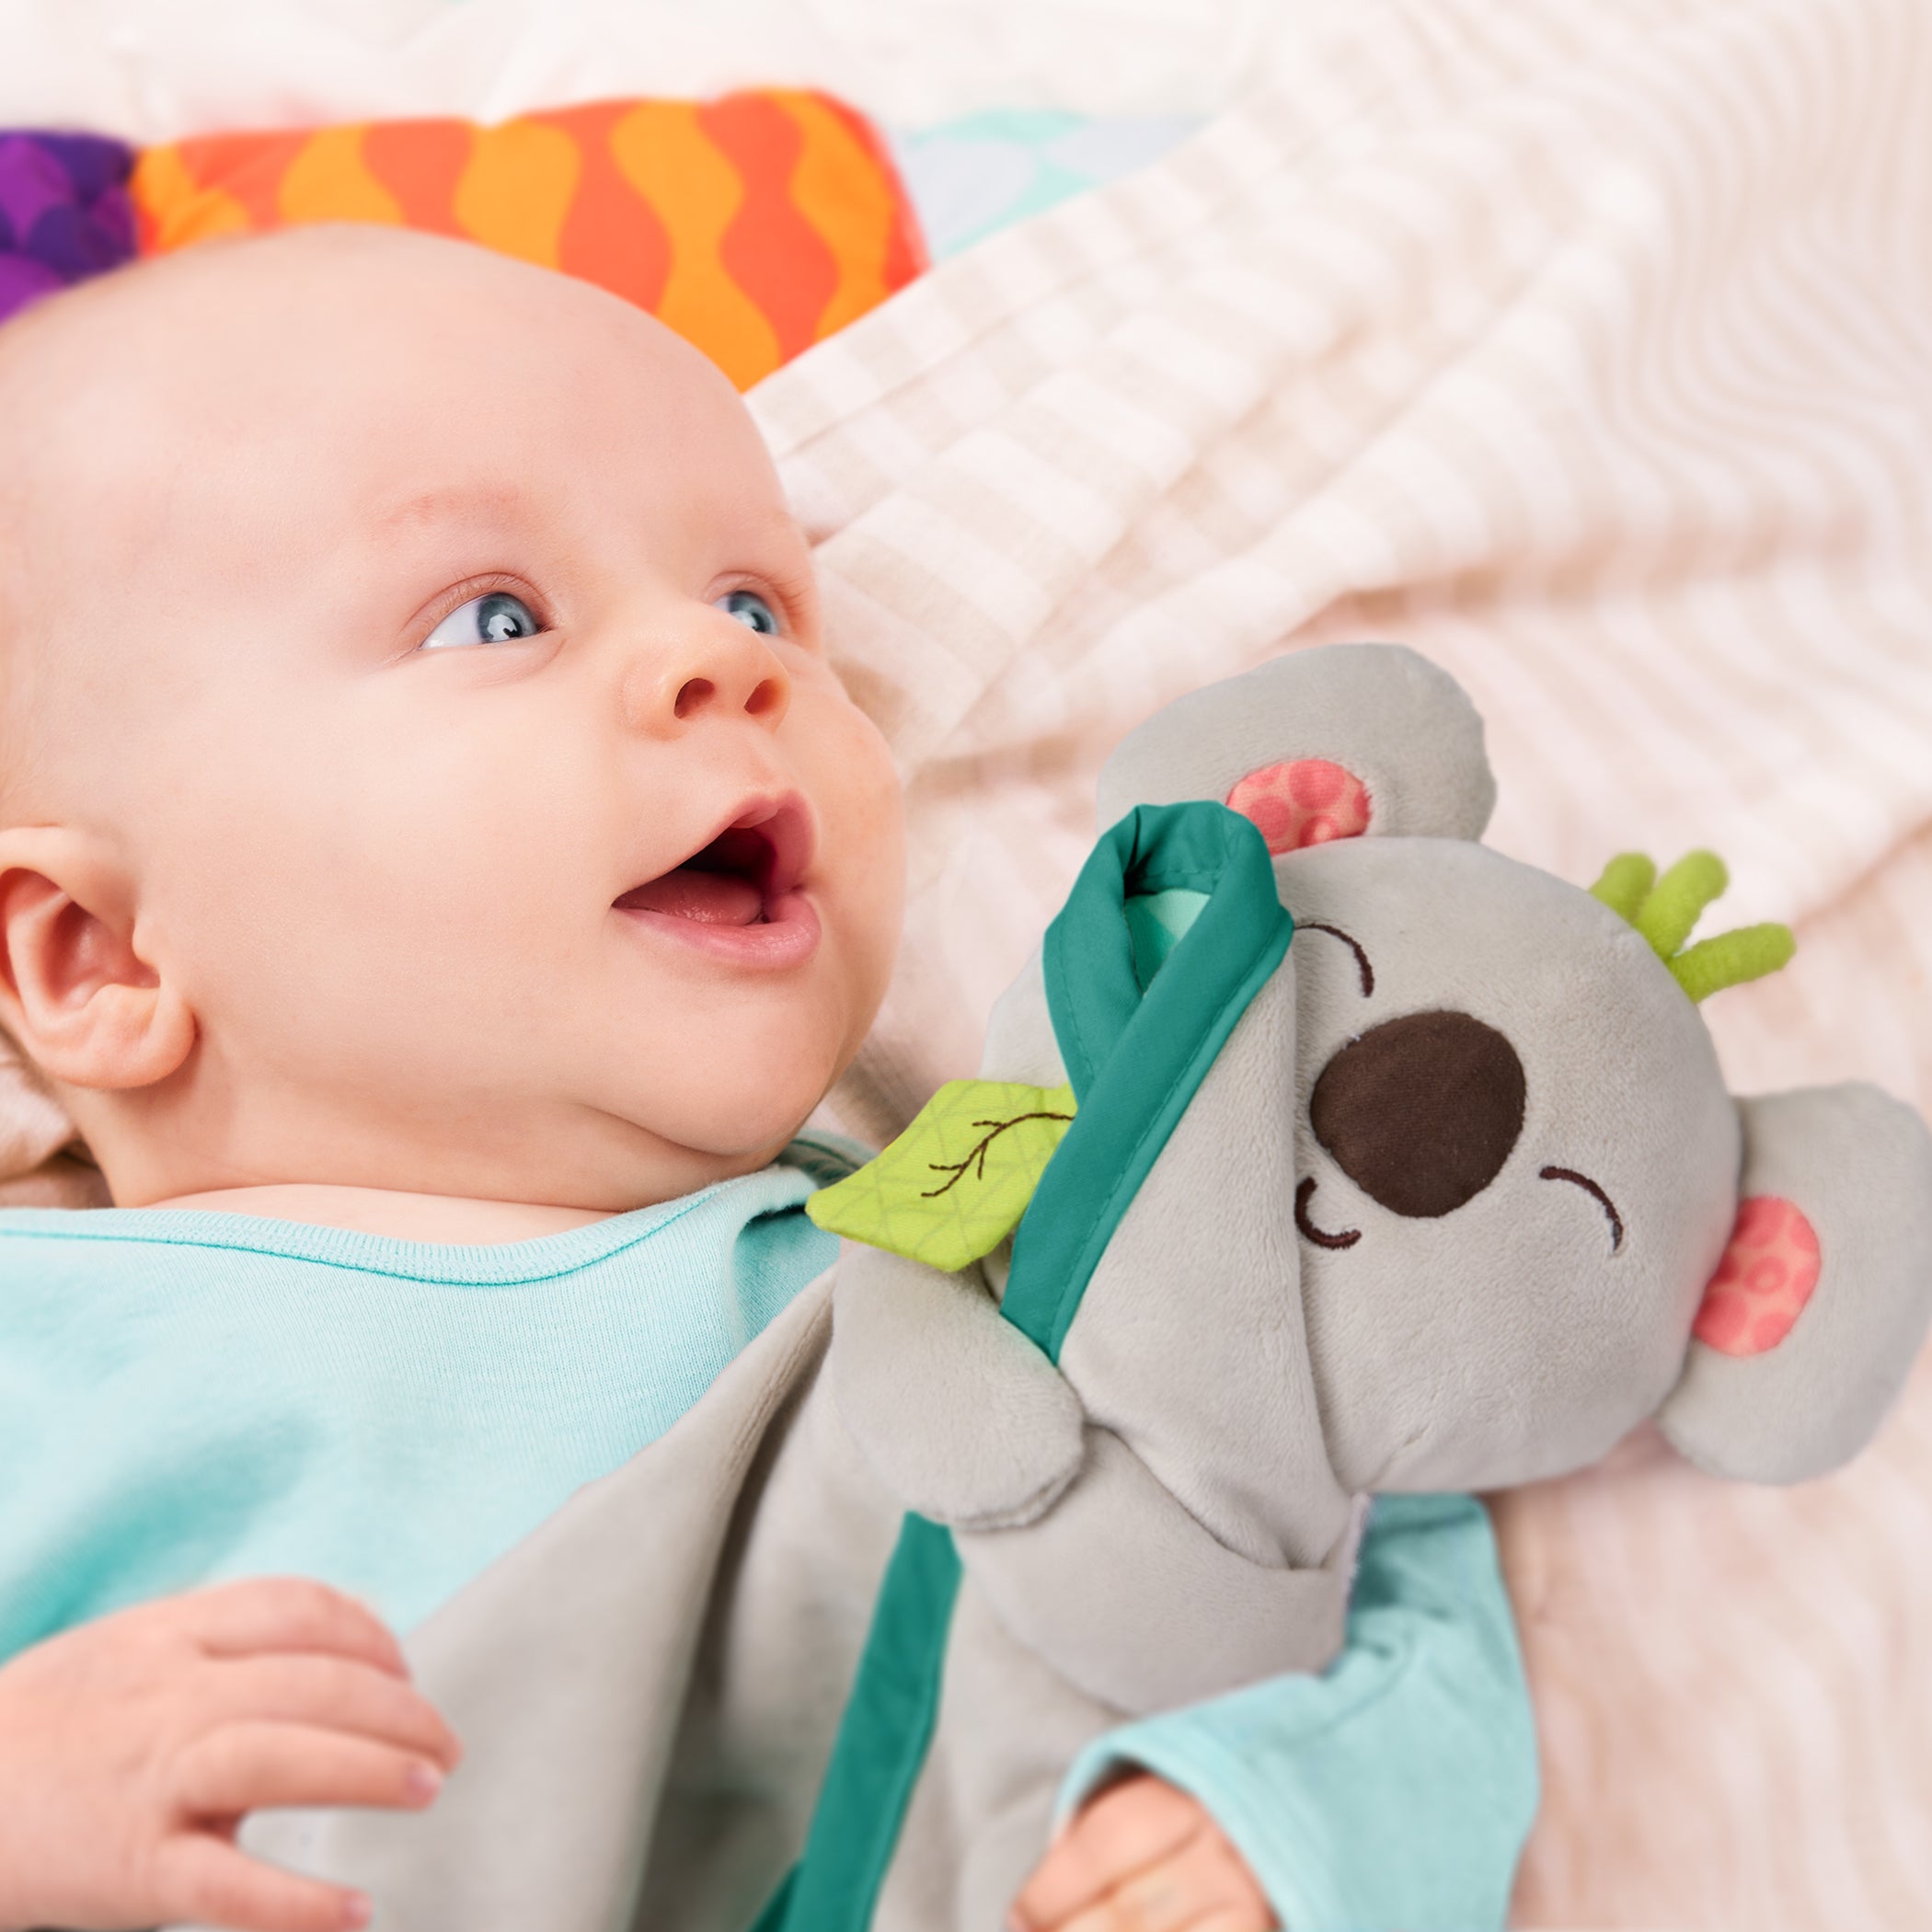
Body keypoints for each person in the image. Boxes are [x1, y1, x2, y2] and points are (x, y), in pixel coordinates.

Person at [0, 225, 1535, 1932]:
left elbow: (1358, 1553)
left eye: (755, 600)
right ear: (102, 958)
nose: (726, 664)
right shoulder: (42, 1350)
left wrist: (1275, 1823)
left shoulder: (981, 1267)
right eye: (494, 617)